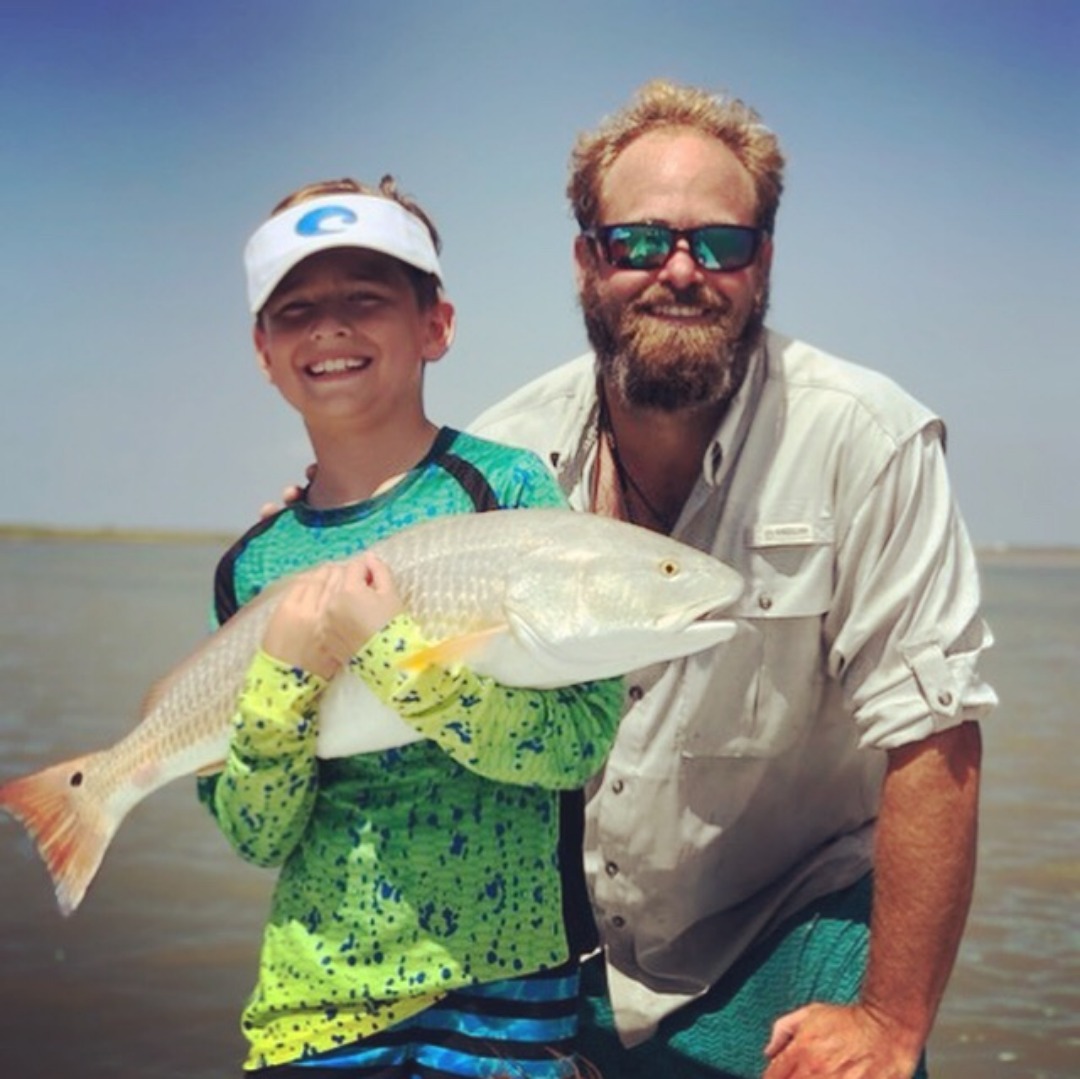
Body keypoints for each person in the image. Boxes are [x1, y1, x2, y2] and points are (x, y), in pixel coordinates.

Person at [468, 79, 997, 1079]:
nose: (681, 270)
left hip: (790, 912)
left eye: (721, 243)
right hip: (562, 926)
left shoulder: (868, 440)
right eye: (640, 242)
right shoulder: (498, 455)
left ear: (763, 265)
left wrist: (889, 1020)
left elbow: (936, 730)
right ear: (588, 258)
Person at [200, 176, 623, 1076]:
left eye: (366, 299)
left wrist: (393, 651)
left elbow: (574, 746)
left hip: (506, 994)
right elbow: (256, 834)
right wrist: (282, 680)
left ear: (436, 325)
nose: (330, 328)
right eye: (296, 309)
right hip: (311, 1011)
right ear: (262, 350)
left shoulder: (504, 493)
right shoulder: (250, 565)